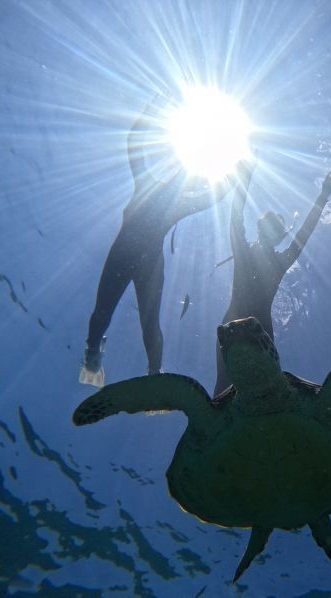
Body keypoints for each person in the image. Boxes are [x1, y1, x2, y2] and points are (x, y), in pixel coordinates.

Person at [80, 96, 234, 387]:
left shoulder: (156, 192)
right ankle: (148, 370)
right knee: (132, 319)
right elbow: (135, 146)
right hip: (144, 259)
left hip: (132, 255)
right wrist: (235, 175)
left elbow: (134, 145)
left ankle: (136, 367)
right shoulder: (159, 193)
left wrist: (148, 114)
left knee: (120, 316)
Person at [213, 164, 331, 395]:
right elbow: (235, 220)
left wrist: (322, 196)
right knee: (223, 391)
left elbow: (304, 232)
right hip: (243, 325)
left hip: (254, 327)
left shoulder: (278, 261)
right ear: (260, 229)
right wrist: (244, 180)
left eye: (276, 229)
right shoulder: (245, 251)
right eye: (268, 227)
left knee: (268, 392)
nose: (271, 232)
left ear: (280, 236)